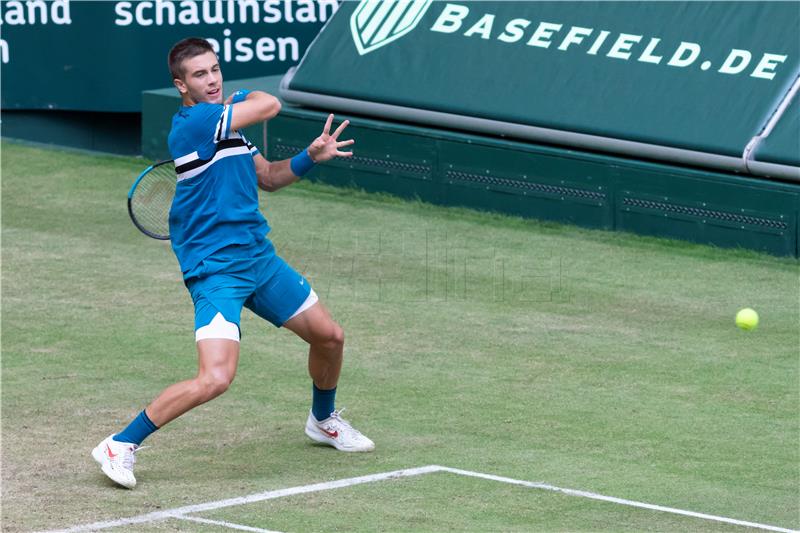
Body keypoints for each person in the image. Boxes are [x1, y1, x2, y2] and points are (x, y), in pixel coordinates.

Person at [92, 37, 374, 489]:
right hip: (216, 268)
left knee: (330, 337)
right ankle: (120, 444)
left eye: (216, 70)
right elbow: (271, 104)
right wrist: (244, 97)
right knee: (216, 378)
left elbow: (268, 178)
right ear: (181, 85)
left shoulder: (230, 128)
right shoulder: (196, 122)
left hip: (257, 258)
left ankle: (323, 420)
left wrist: (310, 158)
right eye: (200, 74)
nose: (213, 79)